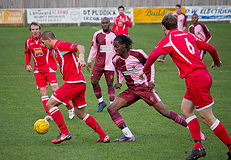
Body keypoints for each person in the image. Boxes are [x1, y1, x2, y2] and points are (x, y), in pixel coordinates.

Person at [139, 13, 231, 160]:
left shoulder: (167, 40)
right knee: (186, 110)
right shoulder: (189, 36)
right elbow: (211, 48)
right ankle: (198, 147)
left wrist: (144, 70)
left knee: (208, 118)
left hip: (195, 80)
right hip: (203, 75)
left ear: (163, 27)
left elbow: (153, 56)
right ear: (177, 25)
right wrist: (216, 61)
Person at [108, 35, 189, 142]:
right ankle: (128, 135)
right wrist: (119, 82)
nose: (115, 49)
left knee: (165, 112)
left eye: (117, 46)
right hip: (131, 90)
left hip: (144, 88)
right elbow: (119, 70)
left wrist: (151, 81)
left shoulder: (137, 54)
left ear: (124, 45)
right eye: (114, 47)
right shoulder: (115, 59)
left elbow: (150, 64)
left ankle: (193, 129)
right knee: (111, 108)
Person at [40, 31, 110, 144]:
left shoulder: (60, 45)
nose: (43, 45)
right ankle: (103, 136)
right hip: (79, 83)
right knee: (80, 113)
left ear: (49, 39)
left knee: (50, 104)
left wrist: (81, 58)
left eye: (43, 43)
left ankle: (64, 133)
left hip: (74, 83)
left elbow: (80, 47)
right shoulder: (57, 50)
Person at [25, 22, 75, 120]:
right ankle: (50, 114)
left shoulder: (45, 40)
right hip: (37, 70)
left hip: (49, 68)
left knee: (55, 89)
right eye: (33, 29)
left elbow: (55, 48)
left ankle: (70, 108)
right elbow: (27, 53)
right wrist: (27, 64)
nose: (35, 31)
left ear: (39, 29)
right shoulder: (28, 41)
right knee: (43, 92)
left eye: (36, 29)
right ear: (30, 31)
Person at [87, 17, 118, 112]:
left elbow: (118, 50)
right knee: (93, 82)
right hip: (99, 63)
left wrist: (118, 62)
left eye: (106, 23)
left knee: (110, 83)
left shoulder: (114, 35)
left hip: (110, 63)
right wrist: (89, 60)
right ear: (101, 24)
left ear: (109, 24)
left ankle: (112, 105)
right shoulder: (97, 34)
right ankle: (101, 102)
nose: (105, 24)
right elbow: (94, 48)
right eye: (103, 23)